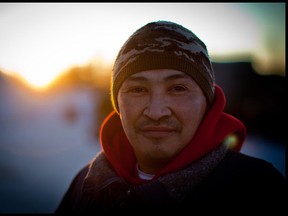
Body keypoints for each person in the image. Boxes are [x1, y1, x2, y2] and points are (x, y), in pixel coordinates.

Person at [55, 20, 286, 213]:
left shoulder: (258, 189)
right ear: (117, 104)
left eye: (178, 89)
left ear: (209, 103)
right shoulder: (87, 185)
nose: (156, 112)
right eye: (138, 89)